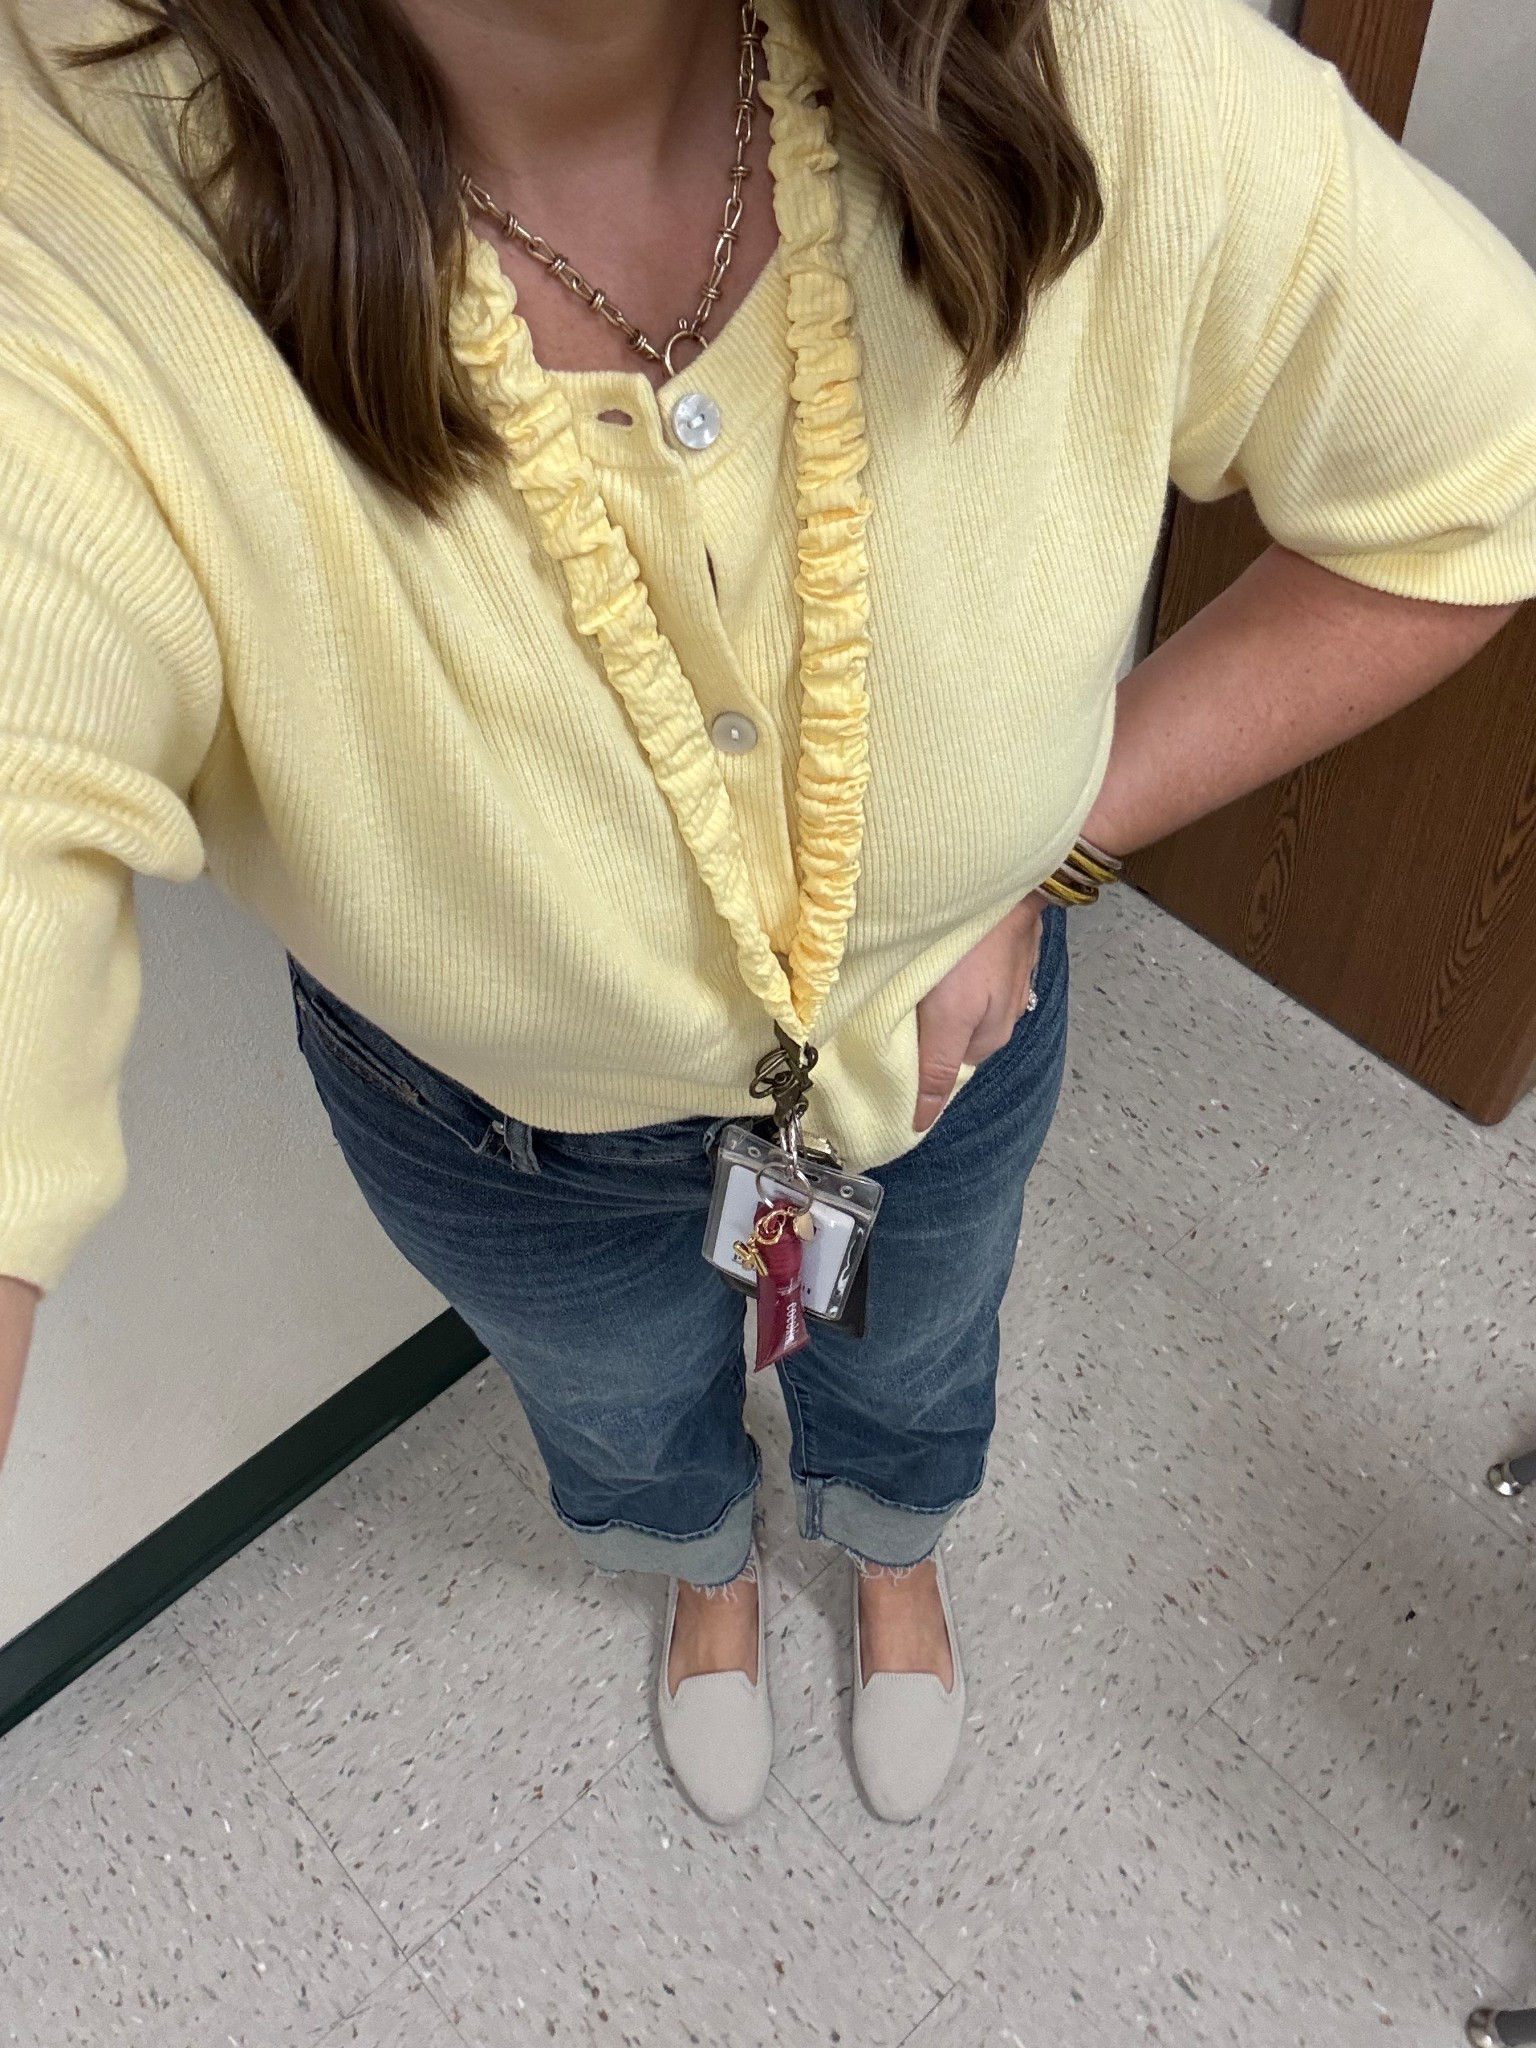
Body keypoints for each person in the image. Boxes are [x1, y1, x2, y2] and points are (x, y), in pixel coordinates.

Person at [0, 0, 1531, 1831]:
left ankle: (891, 1557)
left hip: (942, 1056)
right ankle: (706, 1577)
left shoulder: (1098, 59)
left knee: (925, 1351)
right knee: (614, 1413)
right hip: (496, 1140)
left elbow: (1471, 490)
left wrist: (1057, 847)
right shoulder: (74, 218)